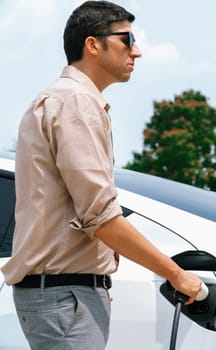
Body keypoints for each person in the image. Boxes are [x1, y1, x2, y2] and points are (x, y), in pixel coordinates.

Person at [1, 1, 203, 349]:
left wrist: (93, 280)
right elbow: (101, 217)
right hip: (65, 295)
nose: (136, 51)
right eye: (128, 39)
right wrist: (177, 274)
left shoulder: (63, 101)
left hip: (66, 291)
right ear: (93, 45)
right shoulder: (76, 104)